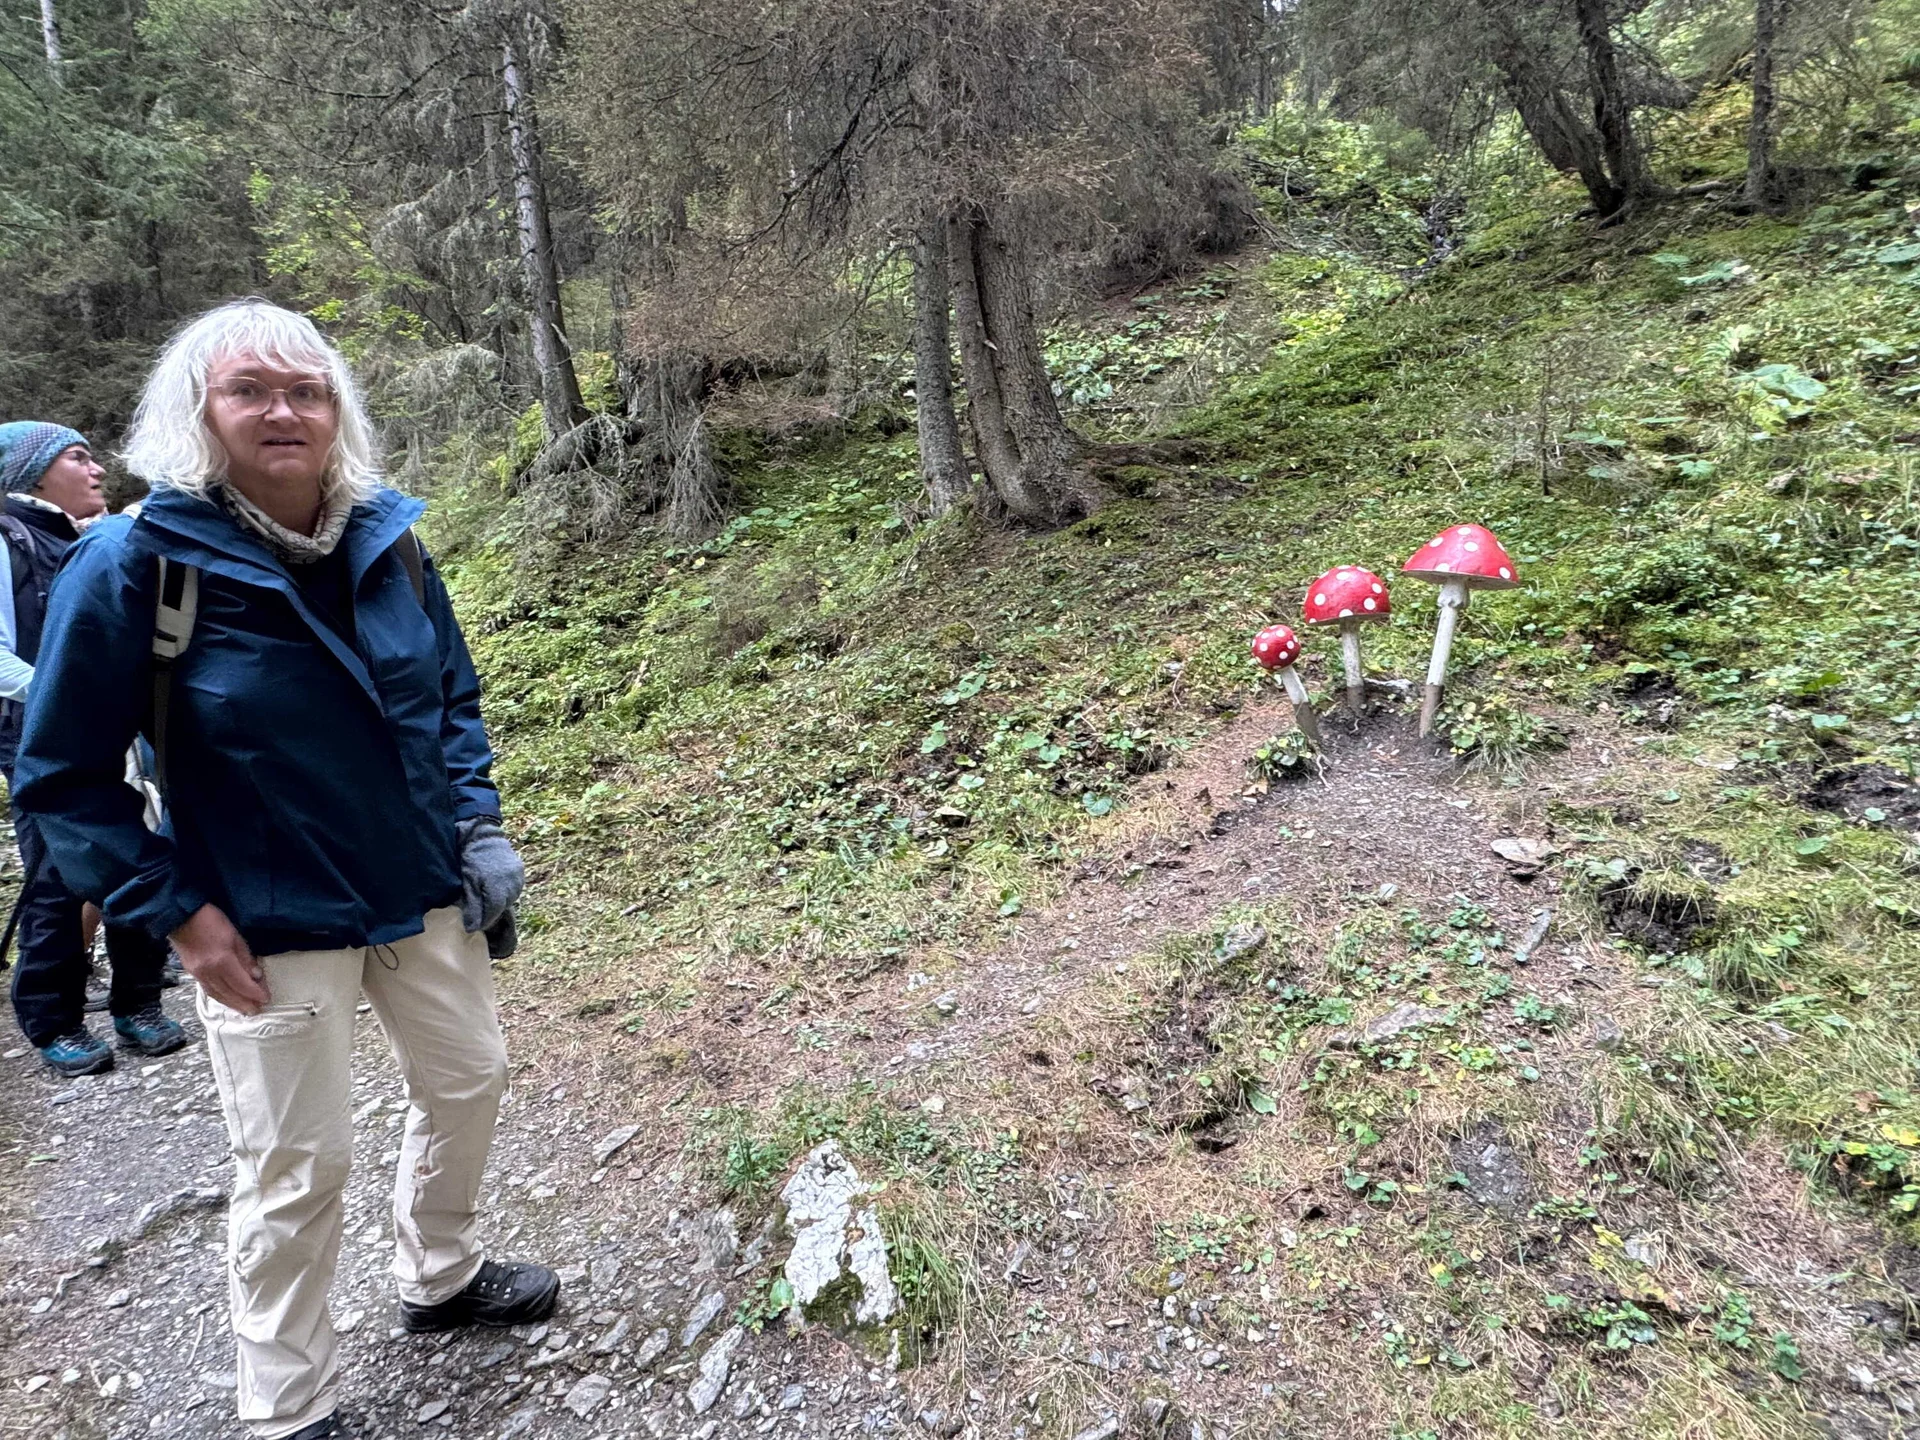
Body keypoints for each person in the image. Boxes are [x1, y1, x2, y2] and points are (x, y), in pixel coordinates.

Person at [12, 300, 556, 1440]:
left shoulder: (387, 542)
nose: (283, 411)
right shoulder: (136, 563)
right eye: (250, 389)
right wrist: (178, 917)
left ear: (337, 412)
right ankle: (286, 1408)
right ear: (199, 415)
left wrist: (480, 830)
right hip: (263, 920)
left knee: (470, 1084)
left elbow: (448, 703)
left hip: (421, 891)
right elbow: (62, 777)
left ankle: (441, 1277)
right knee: (298, 1167)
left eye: (307, 391)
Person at [0, 421, 185, 1075]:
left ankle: (137, 1003)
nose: (96, 468)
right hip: (41, 735)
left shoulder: (86, 539)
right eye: (76, 458)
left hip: (117, 726)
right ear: (31, 475)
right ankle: (54, 1020)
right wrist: (66, 692)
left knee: (137, 849)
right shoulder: (8, 537)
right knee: (58, 878)